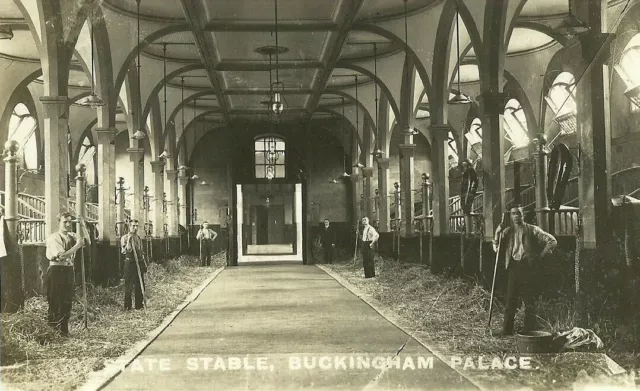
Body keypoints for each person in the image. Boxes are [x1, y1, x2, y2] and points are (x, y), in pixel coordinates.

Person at [492, 204, 557, 335]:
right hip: (513, 267)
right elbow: (496, 250)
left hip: (528, 267)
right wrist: (497, 233)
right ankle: (506, 330)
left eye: (518, 213)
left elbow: (552, 241)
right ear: (510, 216)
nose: (516, 216)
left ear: (523, 215)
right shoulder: (507, 232)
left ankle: (528, 330)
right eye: (513, 214)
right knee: (511, 300)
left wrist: (541, 256)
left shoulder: (532, 230)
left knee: (529, 300)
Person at [45, 212, 89, 336]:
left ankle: (64, 331)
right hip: (56, 271)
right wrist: (77, 246)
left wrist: (83, 225)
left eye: (70, 221)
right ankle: (52, 332)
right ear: (58, 223)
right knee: (55, 301)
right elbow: (62, 256)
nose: (68, 224)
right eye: (65, 222)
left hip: (68, 271)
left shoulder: (71, 236)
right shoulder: (54, 238)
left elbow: (88, 242)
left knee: (67, 301)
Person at [121, 220, 147, 310]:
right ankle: (127, 306)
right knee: (129, 285)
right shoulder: (124, 238)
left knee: (139, 284)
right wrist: (129, 239)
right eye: (133, 226)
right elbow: (127, 250)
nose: (135, 228)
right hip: (130, 263)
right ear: (129, 226)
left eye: (136, 226)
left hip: (138, 263)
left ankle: (139, 305)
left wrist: (144, 263)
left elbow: (141, 252)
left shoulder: (138, 238)